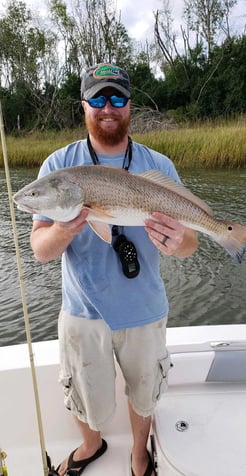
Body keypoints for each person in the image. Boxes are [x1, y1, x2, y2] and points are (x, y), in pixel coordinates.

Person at [30, 63, 198, 476]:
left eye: (117, 98)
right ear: (84, 104)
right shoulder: (59, 165)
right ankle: (91, 444)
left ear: (130, 105)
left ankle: (139, 454)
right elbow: (40, 249)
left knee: (144, 396)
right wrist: (65, 231)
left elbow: (190, 243)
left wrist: (181, 241)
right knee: (83, 396)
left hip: (145, 310)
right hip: (82, 313)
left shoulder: (157, 164)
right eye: (99, 98)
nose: (108, 107)